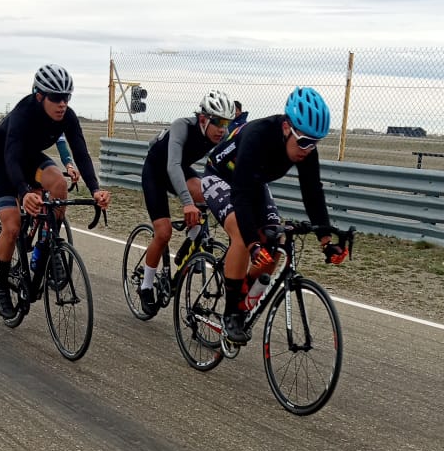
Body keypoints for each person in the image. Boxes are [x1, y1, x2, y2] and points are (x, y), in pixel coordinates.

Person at [201, 86, 347, 345]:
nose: (307, 149)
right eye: (303, 142)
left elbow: (312, 192)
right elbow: (241, 195)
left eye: (314, 144)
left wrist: (326, 240)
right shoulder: (257, 135)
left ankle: (244, 291)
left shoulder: (306, 147)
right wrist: (252, 243)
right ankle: (231, 313)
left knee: (276, 242)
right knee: (241, 234)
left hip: (253, 182)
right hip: (222, 177)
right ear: (285, 128)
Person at [0, 63, 110, 321]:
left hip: (30, 160)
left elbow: (81, 153)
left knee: (59, 185)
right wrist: (24, 191)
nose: (62, 103)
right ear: (40, 96)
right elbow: (10, 157)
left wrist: (96, 189)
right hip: (3, 160)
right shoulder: (23, 113)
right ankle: (0, 282)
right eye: (56, 97)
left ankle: (46, 248)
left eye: (67, 97)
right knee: (12, 226)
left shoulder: (68, 116)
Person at [137, 90, 235, 315]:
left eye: (226, 122)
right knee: (163, 233)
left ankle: (190, 245)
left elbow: (225, 169)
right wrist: (187, 202)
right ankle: (146, 286)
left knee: (207, 193)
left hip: (180, 169)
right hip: (156, 171)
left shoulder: (222, 134)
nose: (222, 128)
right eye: (218, 122)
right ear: (203, 119)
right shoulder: (182, 126)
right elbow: (172, 166)